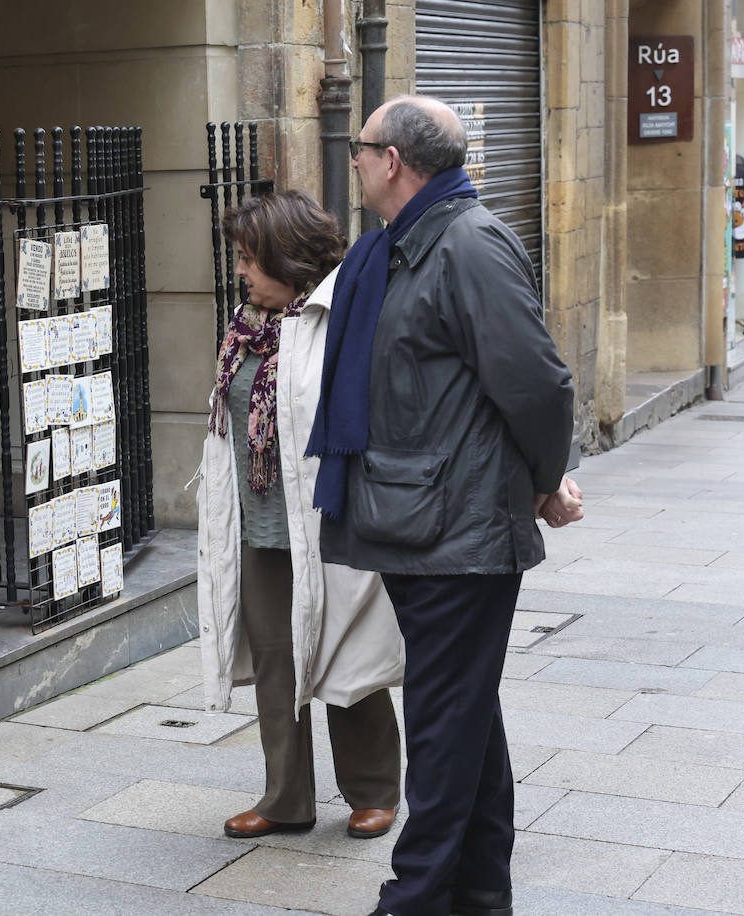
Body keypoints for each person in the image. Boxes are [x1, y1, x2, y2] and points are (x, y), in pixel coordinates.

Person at [306, 96, 584, 916]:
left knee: (442, 716)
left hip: (458, 529)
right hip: (417, 517)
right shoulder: (397, 247)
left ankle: (415, 896)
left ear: (393, 160)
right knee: (465, 712)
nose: (353, 159)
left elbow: (537, 383)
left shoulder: (468, 244)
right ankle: (479, 891)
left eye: (361, 147)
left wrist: (545, 480)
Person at [196, 190, 405, 846]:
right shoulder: (244, 327)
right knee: (274, 661)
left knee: (346, 649)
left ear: (290, 259)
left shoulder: (339, 319)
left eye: (250, 258)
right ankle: (285, 798)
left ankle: (374, 791)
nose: (241, 271)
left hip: (326, 520)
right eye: (239, 258)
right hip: (260, 525)